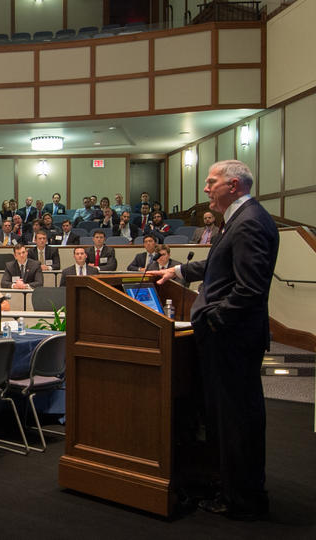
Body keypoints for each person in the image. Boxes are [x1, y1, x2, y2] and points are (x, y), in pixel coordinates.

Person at [151, 161, 277, 521]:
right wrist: (177, 270)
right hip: (231, 338)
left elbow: (250, 289)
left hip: (231, 340)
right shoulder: (240, 218)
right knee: (230, 418)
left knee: (237, 419)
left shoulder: (249, 221)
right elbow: (218, 267)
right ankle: (234, 488)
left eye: (211, 182)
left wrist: (213, 320)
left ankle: (241, 498)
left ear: (233, 185)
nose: (205, 189)